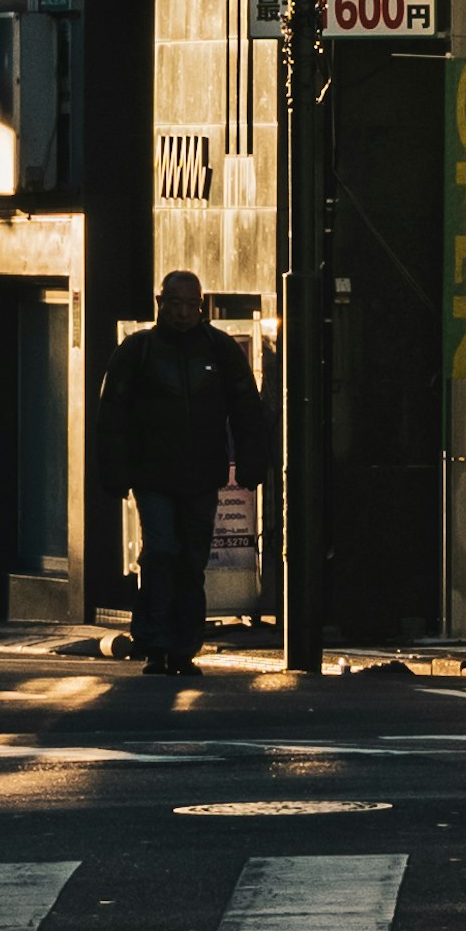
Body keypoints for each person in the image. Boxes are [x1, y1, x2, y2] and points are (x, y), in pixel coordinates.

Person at [96, 271, 270, 673]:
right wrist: (115, 473)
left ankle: (182, 647)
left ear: (201, 306)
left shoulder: (219, 351)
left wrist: (250, 465)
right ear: (160, 303)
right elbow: (112, 417)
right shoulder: (138, 351)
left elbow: (247, 410)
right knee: (161, 552)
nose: (183, 312)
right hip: (153, 475)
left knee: (191, 561)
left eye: (191, 305)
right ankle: (156, 643)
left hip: (201, 475)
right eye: (175, 303)